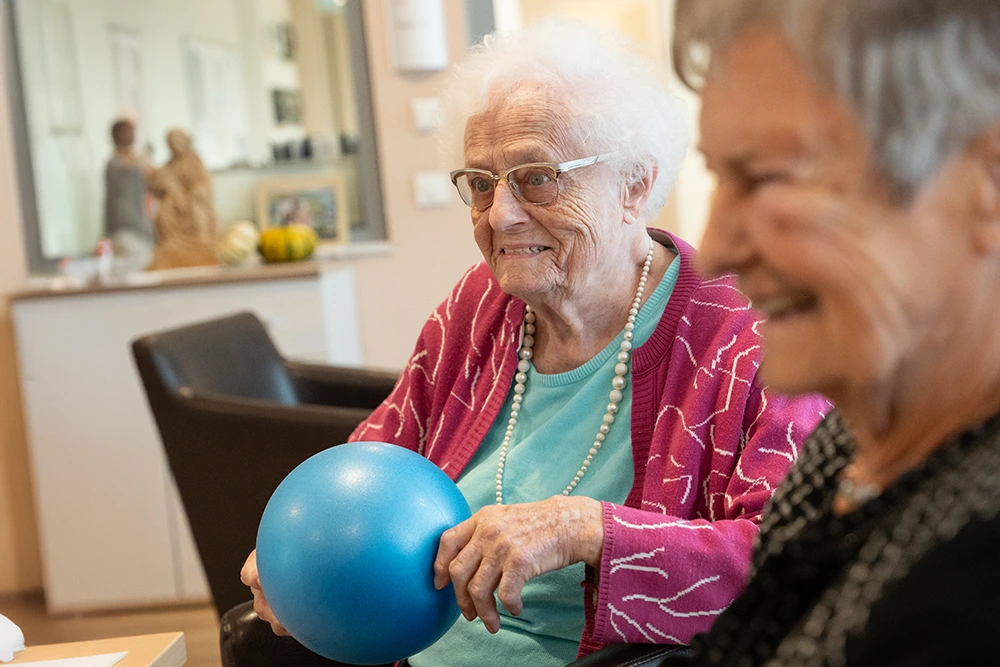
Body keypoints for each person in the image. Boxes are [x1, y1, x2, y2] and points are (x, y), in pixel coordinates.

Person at [241, 21, 827, 666]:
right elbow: (376, 458)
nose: (500, 214)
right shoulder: (476, 308)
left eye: (537, 177)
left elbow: (793, 564)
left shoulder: (748, 337)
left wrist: (587, 530)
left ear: (635, 184)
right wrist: (305, 553)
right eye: (481, 182)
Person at [656, 1, 1000, 664]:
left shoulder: (976, 582)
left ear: (988, 182)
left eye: (767, 178)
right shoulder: (849, 444)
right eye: (719, 177)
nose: (716, 250)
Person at [103, 119, 155, 270]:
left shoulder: (132, 162)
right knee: (137, 263)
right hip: (126, 229)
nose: (131, 136)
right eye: (127, 132)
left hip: (140, 230)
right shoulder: (117, 165)